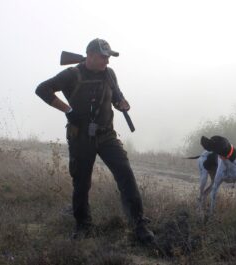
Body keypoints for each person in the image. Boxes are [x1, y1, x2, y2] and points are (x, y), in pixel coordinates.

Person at [35, 38, 154, 243]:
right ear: (89, 55)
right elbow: (42, 89)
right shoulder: (72, 74)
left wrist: (121, 103)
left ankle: (138, 224)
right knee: (81, 184)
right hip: (80, 136)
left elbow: (116, 97)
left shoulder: (109, 74)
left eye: (108, 57)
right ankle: (83, 226)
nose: (107, 61)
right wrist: (68, 110)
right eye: (103, 57)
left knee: (126, 175)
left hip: (107, 135)